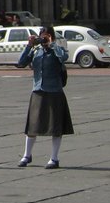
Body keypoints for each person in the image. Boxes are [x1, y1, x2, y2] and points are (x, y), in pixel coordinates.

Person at [17, 26, 72, 169]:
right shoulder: (36, 51)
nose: (43, 39)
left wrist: (52, 44)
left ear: (51, 37)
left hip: (54, 91)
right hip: (38, 90)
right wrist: (29, 46)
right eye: (42, 36)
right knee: (32, 126)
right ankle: (26, 155)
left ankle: (54, 158)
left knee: (55, 127)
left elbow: (64, 57)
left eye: (46, 36)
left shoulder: (56, 49)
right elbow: (21, 63)